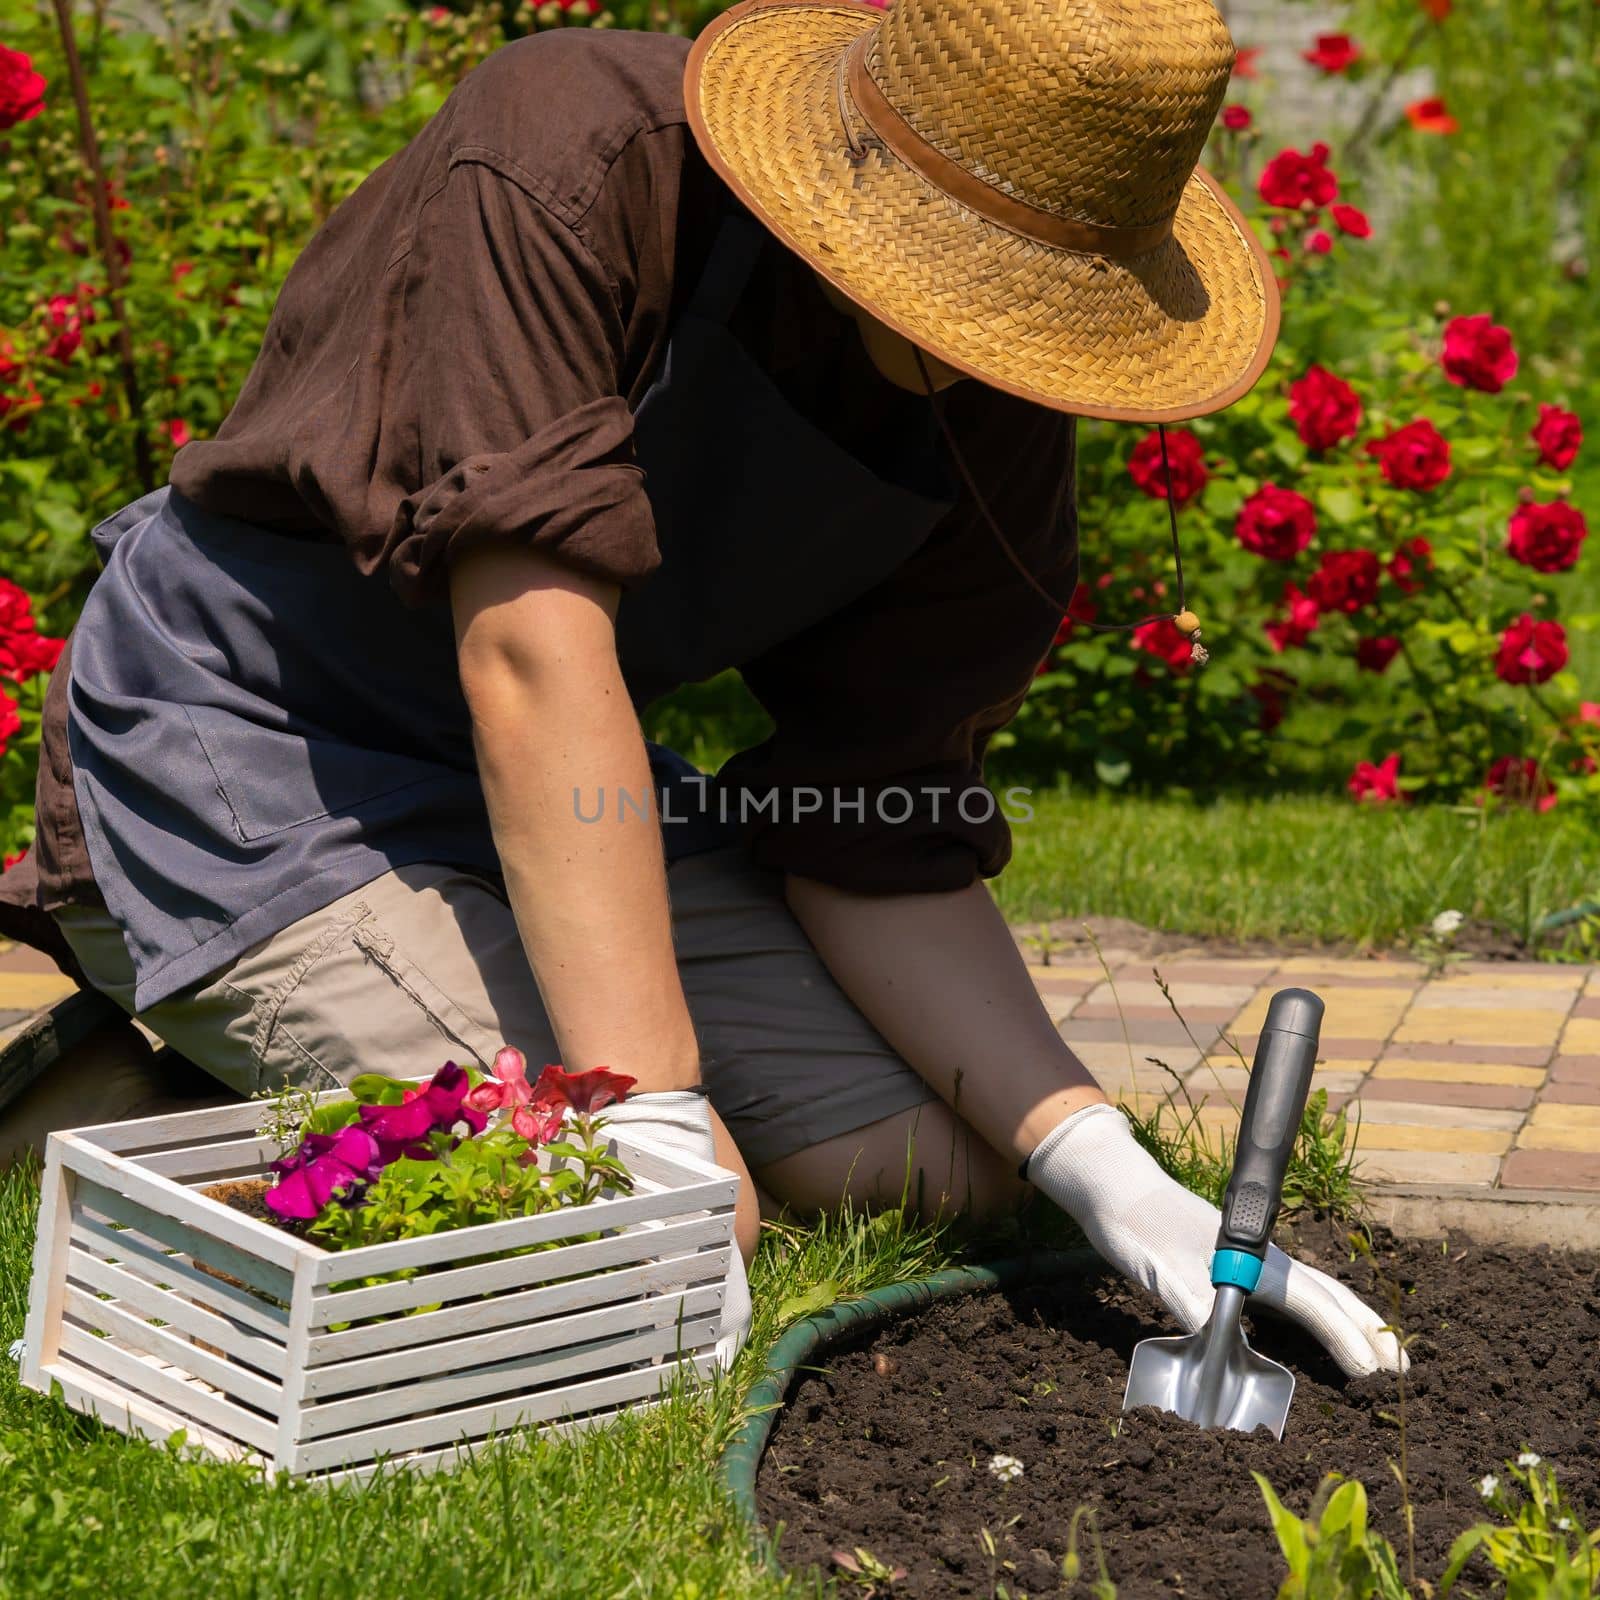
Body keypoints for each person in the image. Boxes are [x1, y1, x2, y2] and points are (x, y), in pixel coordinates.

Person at [0, 0, 1402, 1376]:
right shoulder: (570, 157)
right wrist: (654, 1108)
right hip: (256, 748)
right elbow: (529, 650)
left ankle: (250, 1070)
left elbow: (879, 808)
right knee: (682, 1217)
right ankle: (138, 1084)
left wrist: (1106, 1172)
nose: (993, 344)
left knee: (938, 1170)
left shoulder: (999, 418)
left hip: (561, 799)